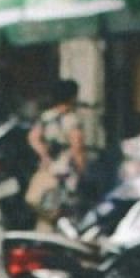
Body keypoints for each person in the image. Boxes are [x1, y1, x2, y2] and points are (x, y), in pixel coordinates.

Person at [27, 79, 87, 223]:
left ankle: (45, 234)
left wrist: (44, 155)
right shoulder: (72, 120)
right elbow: (77, 147)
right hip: (65, 170)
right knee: (65, 208)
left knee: (45, 205)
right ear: (72, 97)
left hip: (48, 168)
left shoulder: (47, 116)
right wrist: (82, 169)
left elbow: (33, 137)